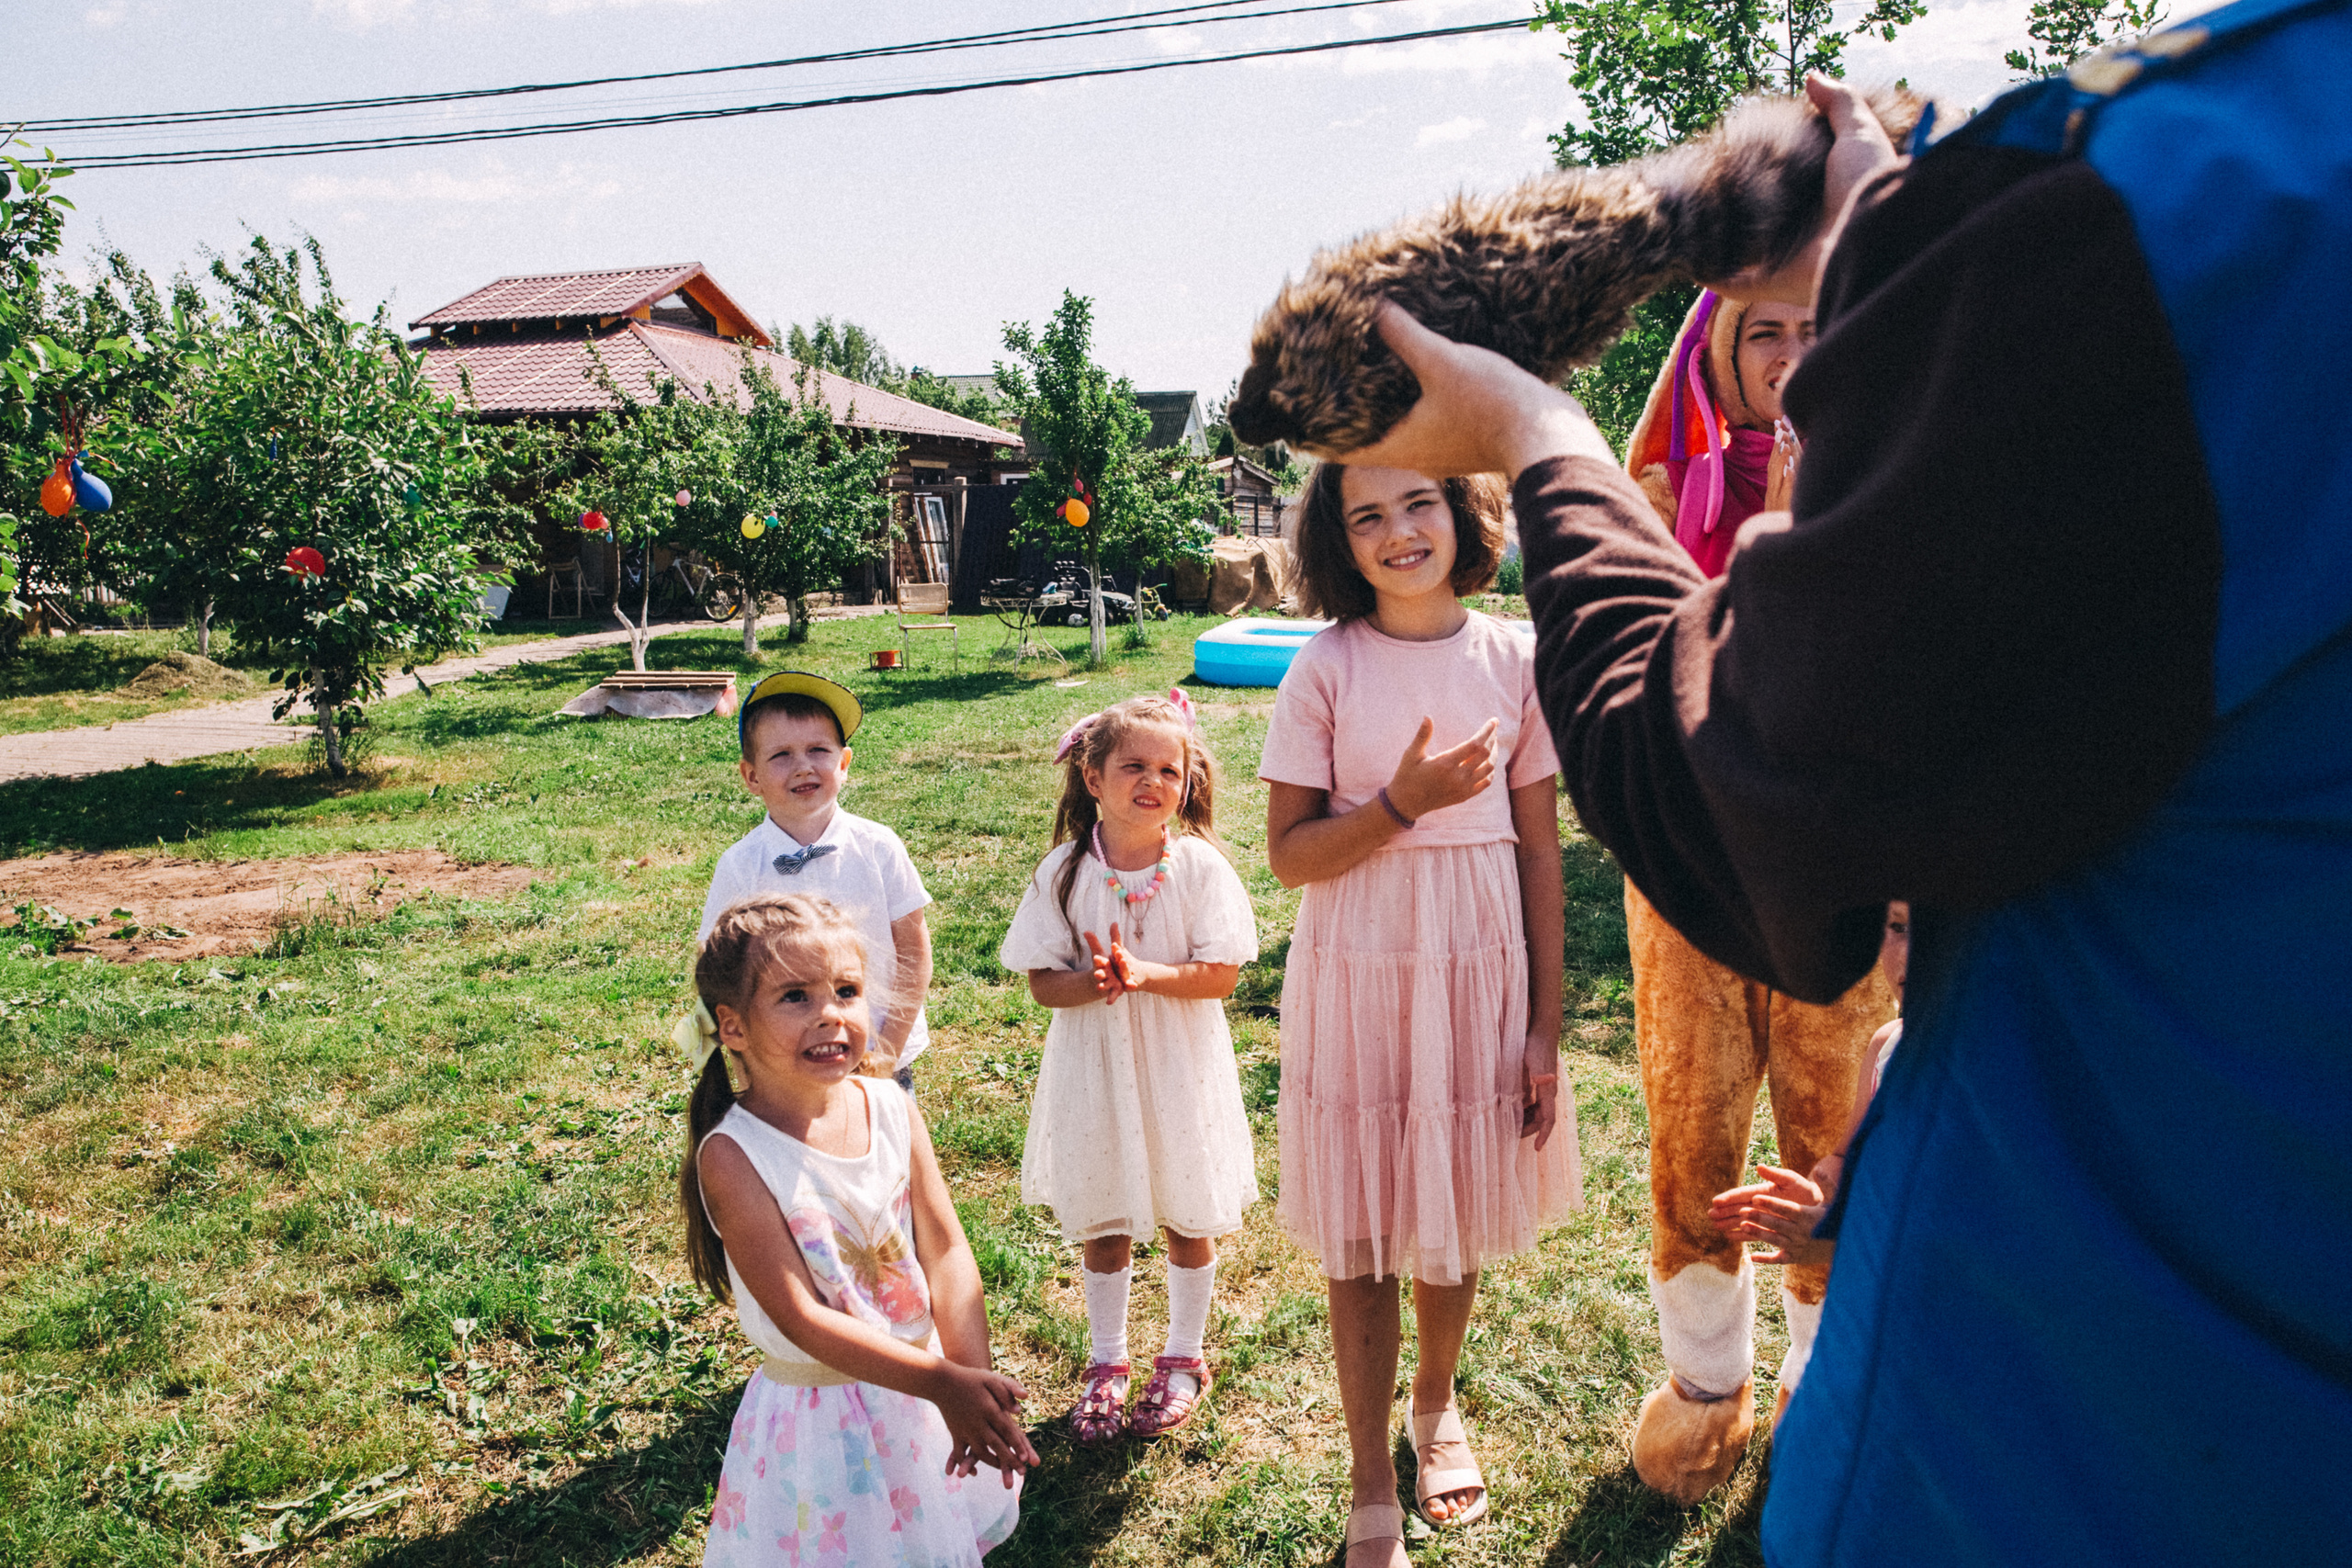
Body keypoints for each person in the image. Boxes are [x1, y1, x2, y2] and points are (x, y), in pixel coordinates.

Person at [1299, 5, 2352, 1559]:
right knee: (1696, 1119)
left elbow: (1746, 799)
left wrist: (1535, 433)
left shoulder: (2207, 189)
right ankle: (1709, 1367)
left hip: (2077, 1424)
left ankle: (1781, 1362)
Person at [1259, 464, 1581, 1567]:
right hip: (1359, 963)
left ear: (1461, 511)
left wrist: (1545, 1022)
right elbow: (1290, 856)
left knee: (1455, 1187)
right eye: (1367, 516)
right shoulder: (1325, 667)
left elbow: (1539, 849)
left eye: (1417, 505)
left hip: (1478, 961)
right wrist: (1401, 803)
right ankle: (1367, 1478)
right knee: (1362, 1218)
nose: (1397, 532)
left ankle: (1434, 1403)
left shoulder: (1514, 657)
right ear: (1339, 540)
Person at [1611, 283, 1896, 1501]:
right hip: (1689, 869)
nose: (1790, 355)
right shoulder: (1657, 497)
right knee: (1693, 1123)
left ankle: (1819, 1374)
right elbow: (1627, 673)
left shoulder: (1892, 477)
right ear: (1714, 356)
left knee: (1832, 1127)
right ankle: (1705, 1375)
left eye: (1813, 329)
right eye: (1762, 332)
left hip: (1838, 867)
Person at [677, 894, 1030, 1566]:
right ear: (733, 1027)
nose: (830, 1013)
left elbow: (946, 1250)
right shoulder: (734, 1155)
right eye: (795, 996)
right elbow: (803, 1318)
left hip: (922, 1398)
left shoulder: (891, 1107)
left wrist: (973, 1380)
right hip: (820, 1420)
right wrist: (942, 1383)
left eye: (846, 990)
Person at [1000, 690, 1261, 1445]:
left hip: (1180, 1062)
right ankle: (1106, 1360)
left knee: (1187, 1207)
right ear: (1093, 776)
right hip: (1098, 1067)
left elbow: (1221, 974)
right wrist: (1095, 982)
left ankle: (1183, 1356)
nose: (1152, 782)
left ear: (1187, 782)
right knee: (1106, 1210)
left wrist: (1145, 973)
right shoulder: (1064, 872)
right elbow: (1043, 981)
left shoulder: (1201, 869)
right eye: (1133, 766)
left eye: (1169, 770)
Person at [702, 671, 933, 1089]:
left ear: (843, 764)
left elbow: (914, 953)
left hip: (876, 1054)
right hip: (783, 1067)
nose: (803, 766)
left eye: (818, 750)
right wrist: (753, 1067)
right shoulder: (740, 866)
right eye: (781, 755)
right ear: (751, 777)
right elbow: (719, 973)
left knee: (881, 1133)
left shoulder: (879, 847)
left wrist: (886, 1052)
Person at [1709, 903, 1909, 1273]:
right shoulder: (1885, 1047)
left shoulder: (1999, 1072)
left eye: (1943, 931)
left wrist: (1835, 1239)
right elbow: (1846, 1167)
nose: (1912, 955)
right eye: (1899, 927)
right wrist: (1819, 1203)